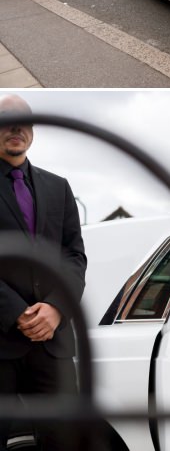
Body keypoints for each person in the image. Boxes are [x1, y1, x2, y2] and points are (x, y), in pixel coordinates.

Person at [0, 95, 86, 451]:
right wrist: (15, 312)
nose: (15, 128)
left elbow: (74, 257)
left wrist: (55, 308)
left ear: (33, 131)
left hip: (53, 344)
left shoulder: (58, 186)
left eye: (23, 121)